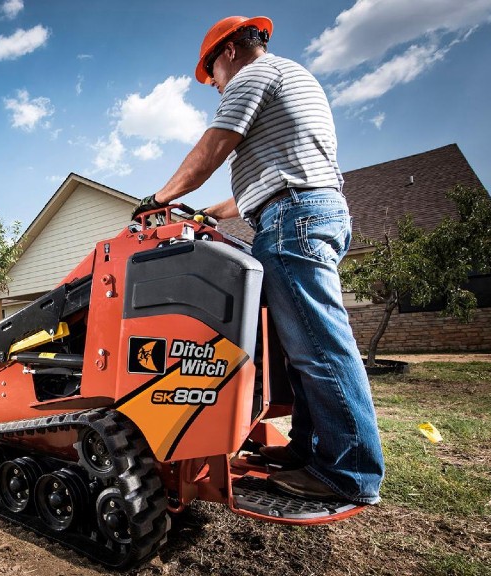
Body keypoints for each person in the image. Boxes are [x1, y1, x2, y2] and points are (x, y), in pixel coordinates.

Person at [131, 15, 384, 505]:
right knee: (299, 345)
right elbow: (263, 185)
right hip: (308, 211)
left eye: (212, 77)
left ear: (226, 53)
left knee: (320, 347)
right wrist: (208, 212)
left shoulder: (253, 76)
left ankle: (349, 473)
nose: (216, 87)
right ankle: (310, 451)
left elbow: (213, 147)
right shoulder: (290, 77)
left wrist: (160, 197)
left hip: (294, 219)